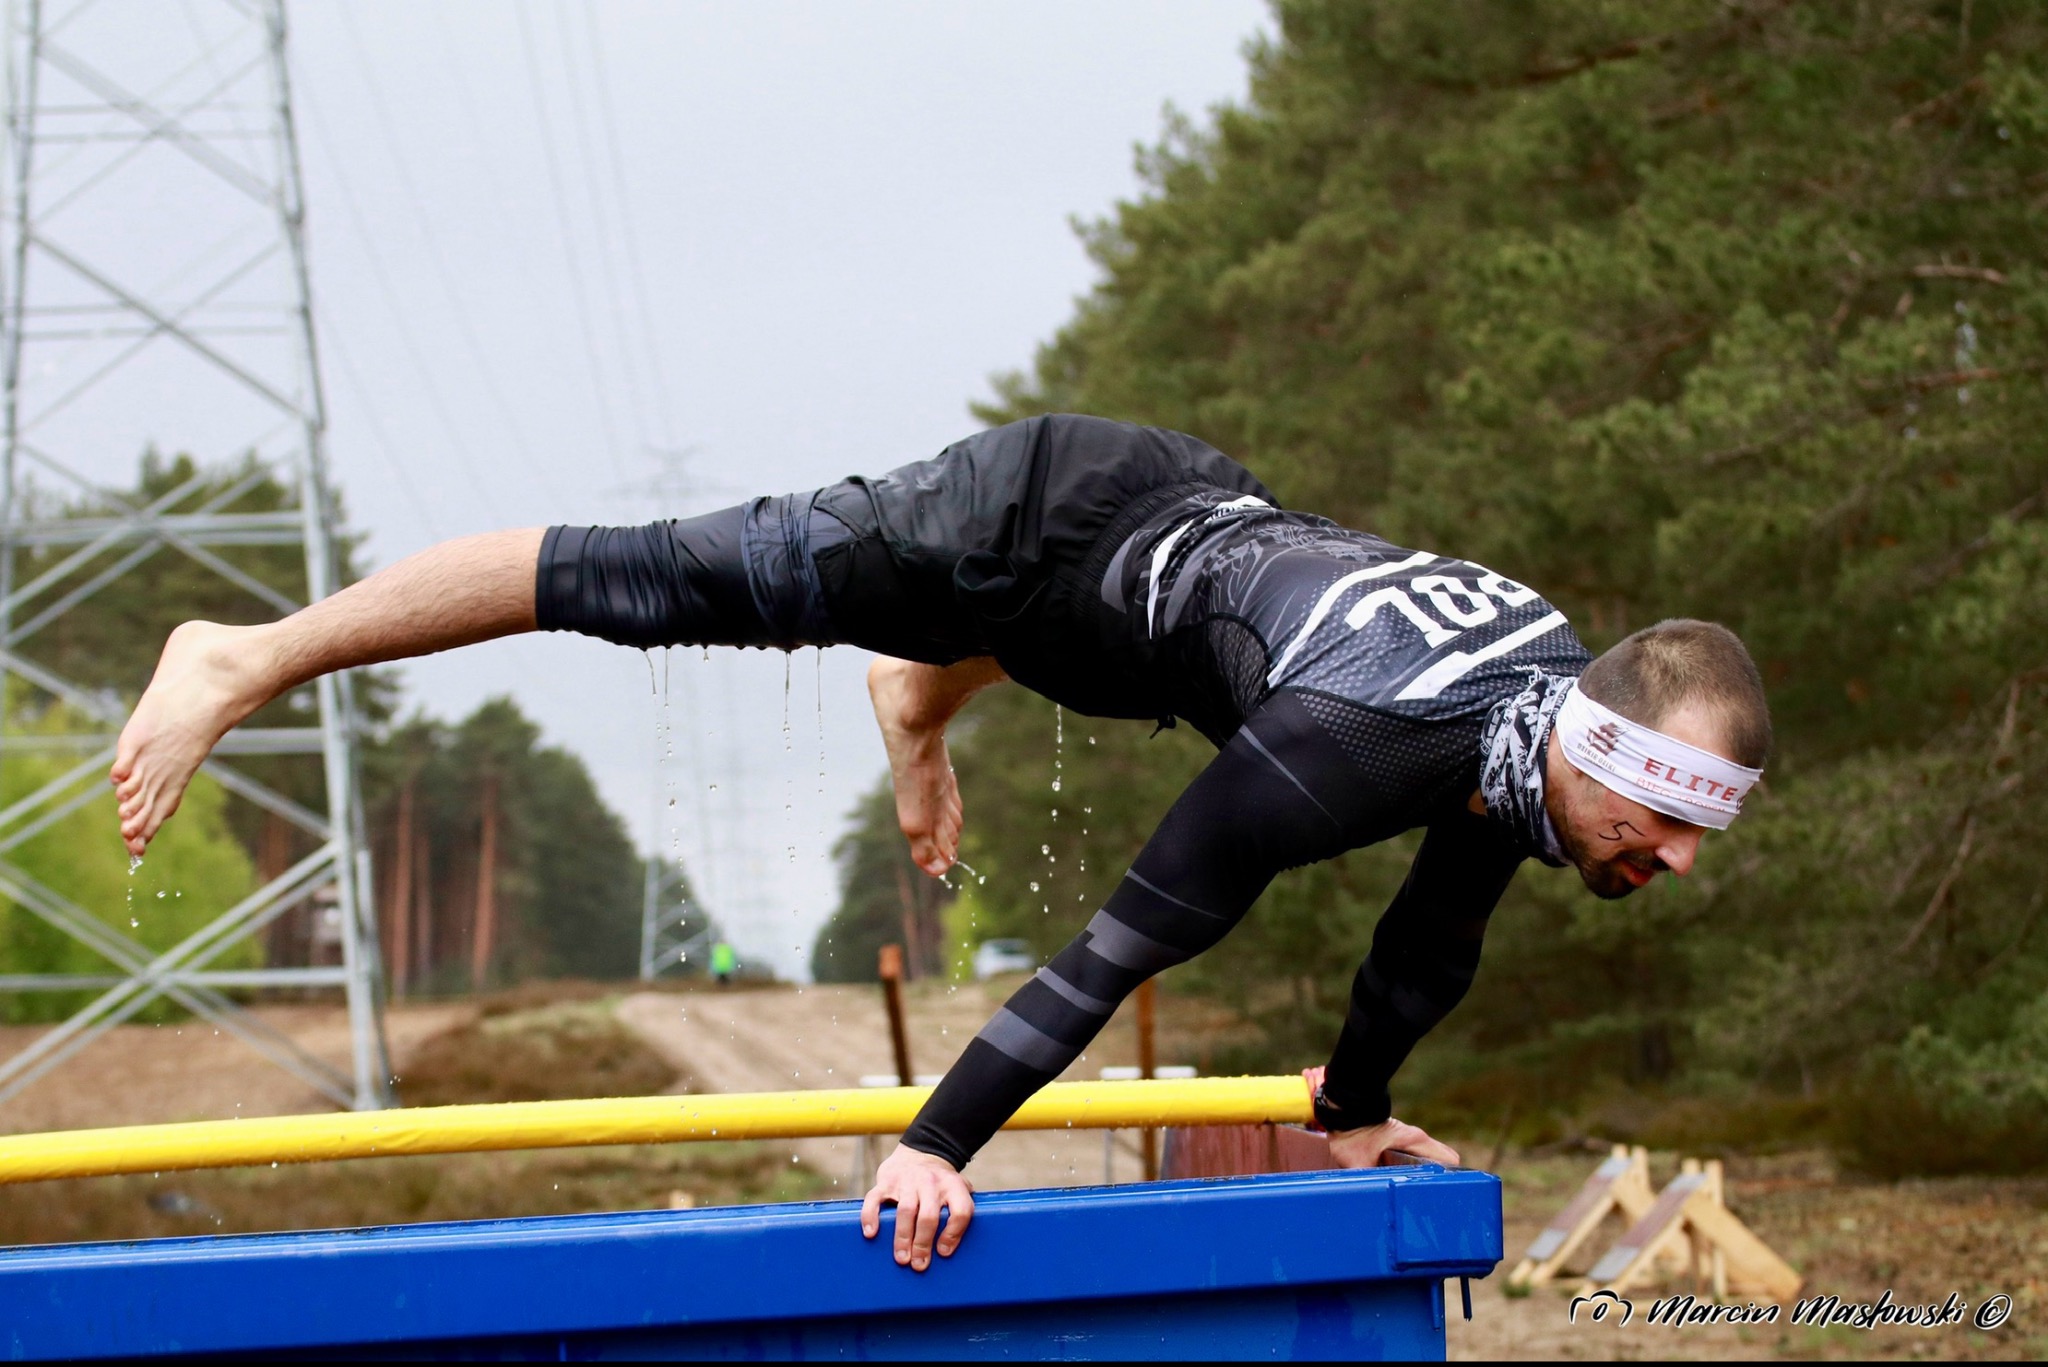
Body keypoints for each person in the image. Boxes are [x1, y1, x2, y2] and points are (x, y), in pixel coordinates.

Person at [109, 413, 1770, 1274]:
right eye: (1668, 824)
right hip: (1032, 527)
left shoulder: (1532, 711)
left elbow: (1432, 933)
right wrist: (936, 1145)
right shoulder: (1354, 746)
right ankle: (249, 651)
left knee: (1119, 649)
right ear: (1599, 751)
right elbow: (1126, 944)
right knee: (661, 578)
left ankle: (923, 691)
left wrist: (1352, 1116)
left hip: (1164, 568)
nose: (1676, 867)